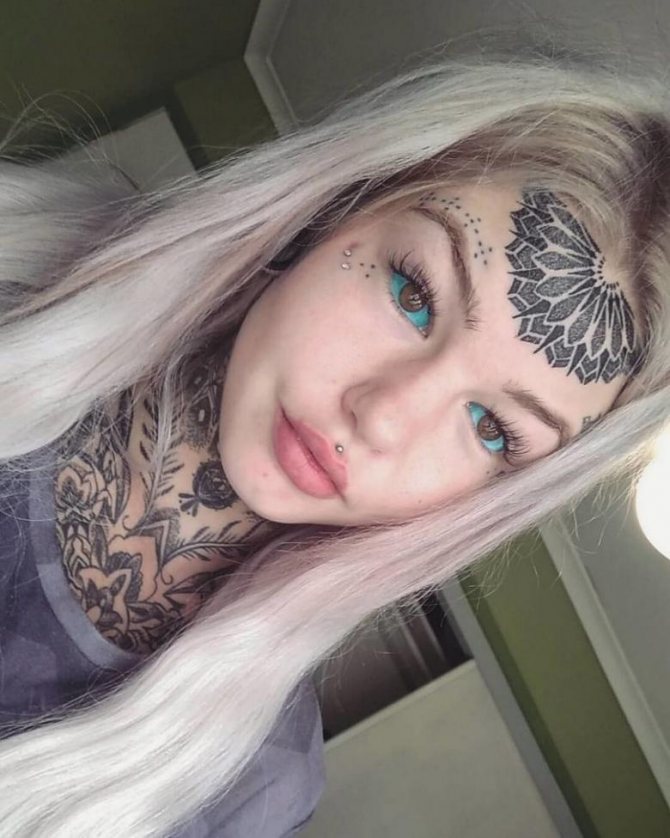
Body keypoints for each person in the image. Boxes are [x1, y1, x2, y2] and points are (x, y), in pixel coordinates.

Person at [0, 44, 669, 837]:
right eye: (413, 294)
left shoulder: (256, 789)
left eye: (492, 429)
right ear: (335, 210)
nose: (384, 417)